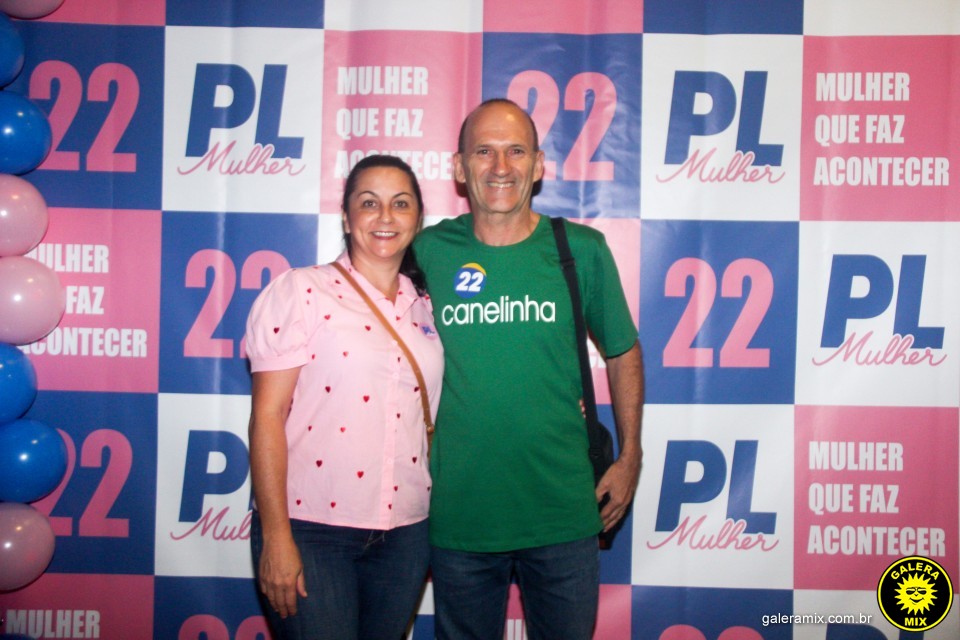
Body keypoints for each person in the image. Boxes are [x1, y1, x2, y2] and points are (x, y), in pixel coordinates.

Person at [413, 99, 644, 640]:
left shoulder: (581, 250)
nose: (500, 167)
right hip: (460, 514)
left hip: (563, 511)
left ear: (539, 165)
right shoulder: (426, 252)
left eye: (516, 151)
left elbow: (623, 352)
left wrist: (631, 455)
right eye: (484, 152)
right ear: (458, 167)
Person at [245, 154, 443, 639]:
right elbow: (267, 417)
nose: (385, 216)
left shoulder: (428, 307)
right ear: (346, 217)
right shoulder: (302, 291)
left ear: (418, 218)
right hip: (311, 529)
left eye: (400, 203)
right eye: (369, 203)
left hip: (406, 531)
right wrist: (276, 536)